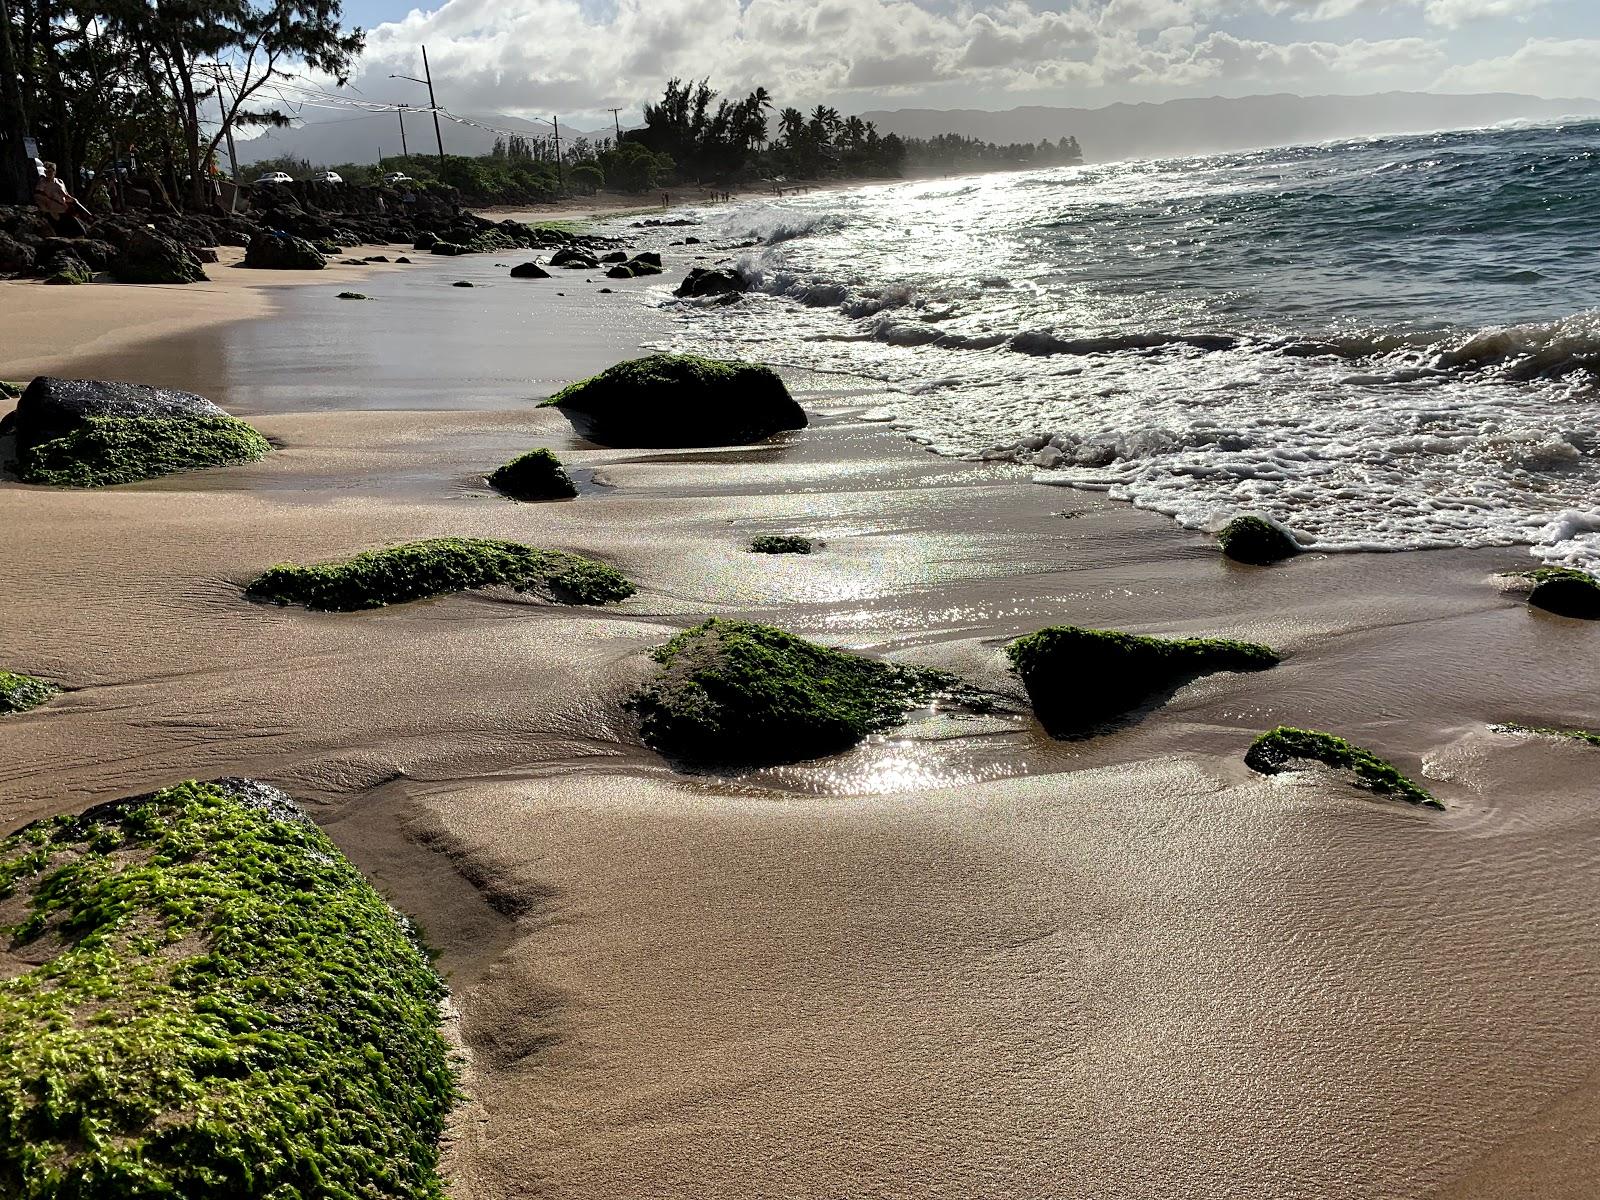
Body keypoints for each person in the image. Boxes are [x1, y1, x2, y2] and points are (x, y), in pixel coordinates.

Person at [34, 162, 89, 235]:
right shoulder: (42, 183)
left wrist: (74, 201)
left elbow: (66, 196)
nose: (48, 173)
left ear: (54, 172)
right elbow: (38, 197)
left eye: (50, 171)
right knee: (60, 234)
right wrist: (47, 210)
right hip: (53, 213)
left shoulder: (60, 182)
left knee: (80, 232)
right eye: (46, 171)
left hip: (64, 211)